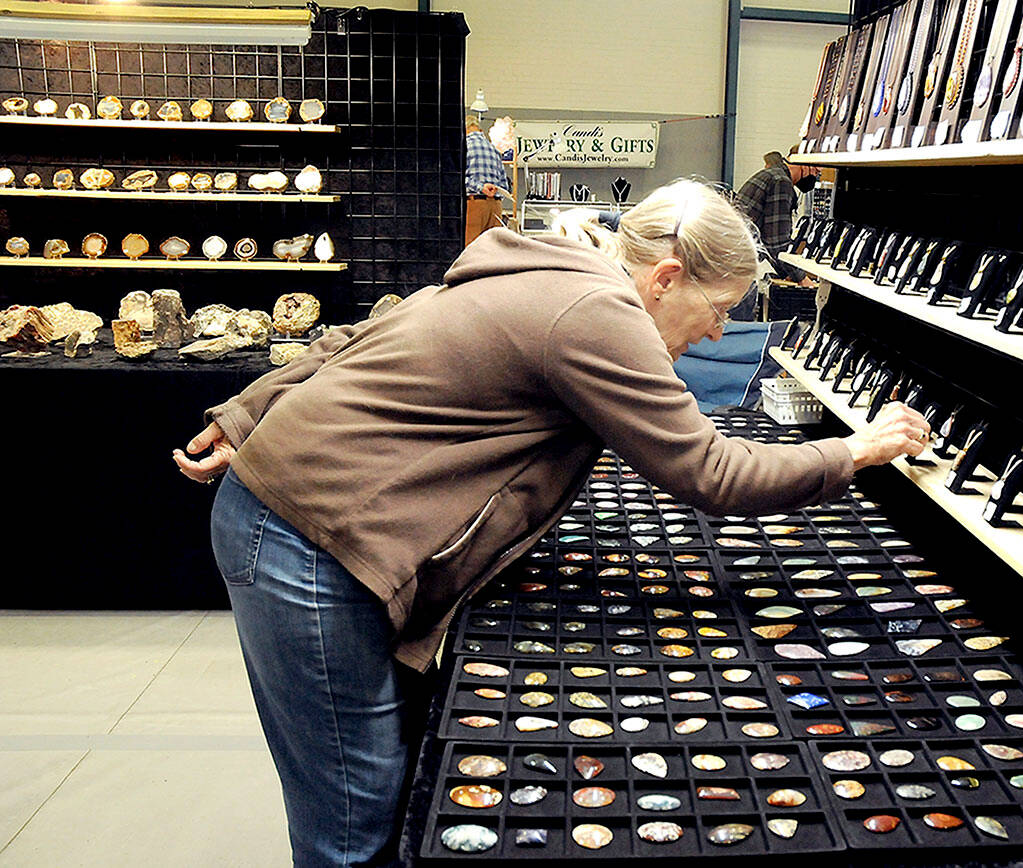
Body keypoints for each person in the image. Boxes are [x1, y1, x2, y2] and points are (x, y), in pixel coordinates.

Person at [173, 179, 929, 867]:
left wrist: (253, 407)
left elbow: (379, 330)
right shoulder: (596, 313)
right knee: (352, 815)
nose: (712, 335)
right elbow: (714, 473)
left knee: (382, 767)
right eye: (720, 310)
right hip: (306, 540)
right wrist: (854, 450)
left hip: (300, 520)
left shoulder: (551, 265)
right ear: (667, 279)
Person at [733, 150, 819, 285]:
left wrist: (787, 273)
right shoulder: (781, 182)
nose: (816, 176)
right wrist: (801, 278)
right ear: (804, 165)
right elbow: (776, 242)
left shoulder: (772, 175)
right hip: (736, 264)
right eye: (816, 171)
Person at [464, 114, 511, 247]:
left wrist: (480, 187)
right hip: (496, 207)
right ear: (480, 130)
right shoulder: (494, 150)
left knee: (471, 251)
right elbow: (504, 184)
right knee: (493, 250)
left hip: (474, 205)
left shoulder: (464, 146)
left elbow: (457, 178)